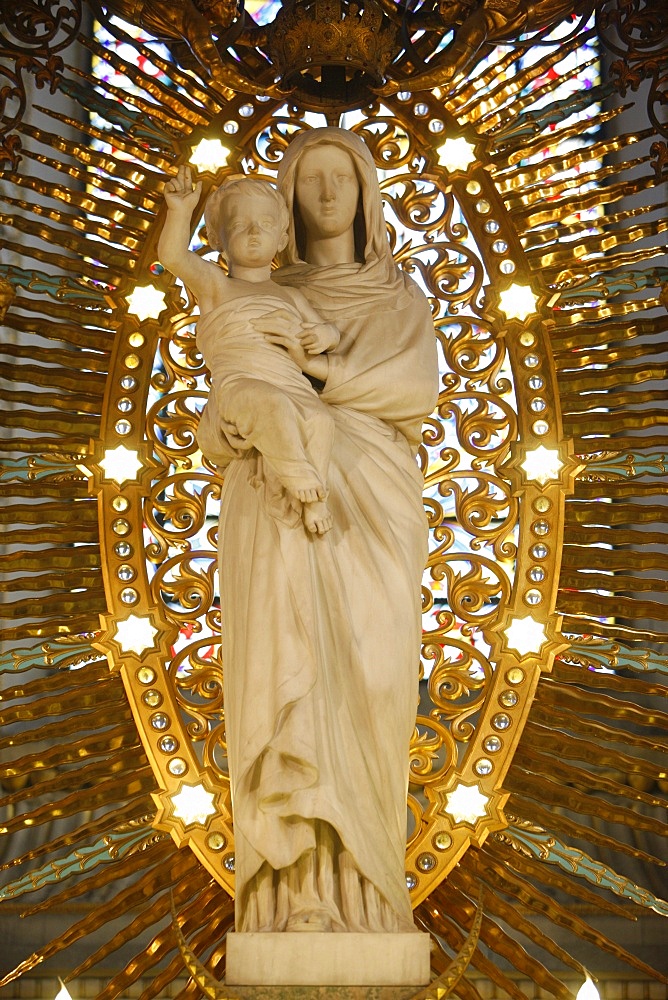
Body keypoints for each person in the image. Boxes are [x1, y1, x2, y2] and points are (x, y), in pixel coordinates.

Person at [197, 127, 439, 933]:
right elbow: (219, 413)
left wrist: (306, 381)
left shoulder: (401, 299)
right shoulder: (250, 290)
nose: (328, 195)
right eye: (310, 180)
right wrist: (245, 412)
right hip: (273, 505)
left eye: (343, 178)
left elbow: (410, 391)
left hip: (374, 503)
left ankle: (371, 891)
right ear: (284, 199)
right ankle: (291, 892)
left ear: (368, 191)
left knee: (370, 678)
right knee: (284, 673)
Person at [159, 169, 340, 535]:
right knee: (268, 403)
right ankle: (302, 480)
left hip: (290, 383)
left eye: (265, 224)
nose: (254, 232)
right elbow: (174, 256)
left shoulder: (290, 296)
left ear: (282, 238)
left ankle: (313, 494)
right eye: (240, 224)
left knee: (321, 421)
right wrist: (180, 211)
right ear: (217, 239)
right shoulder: (215, 286)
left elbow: (327, 331)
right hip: (239, 384)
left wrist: (323, 334)